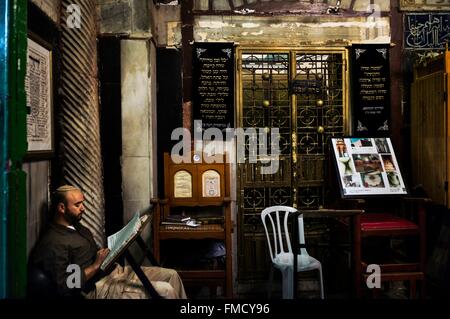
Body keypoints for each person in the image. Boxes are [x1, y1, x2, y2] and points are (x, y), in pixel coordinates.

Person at [30, 185, 187, 299]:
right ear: (62, 208)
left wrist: (111, 251)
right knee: (165, 291)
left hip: (113, 272)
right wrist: (95, 265)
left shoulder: (76, 226)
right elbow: (65, 285)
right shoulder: (53, 242)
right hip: (97, 288)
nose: (83, 208)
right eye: (77, 205)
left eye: (83, 203)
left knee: (172, 275)